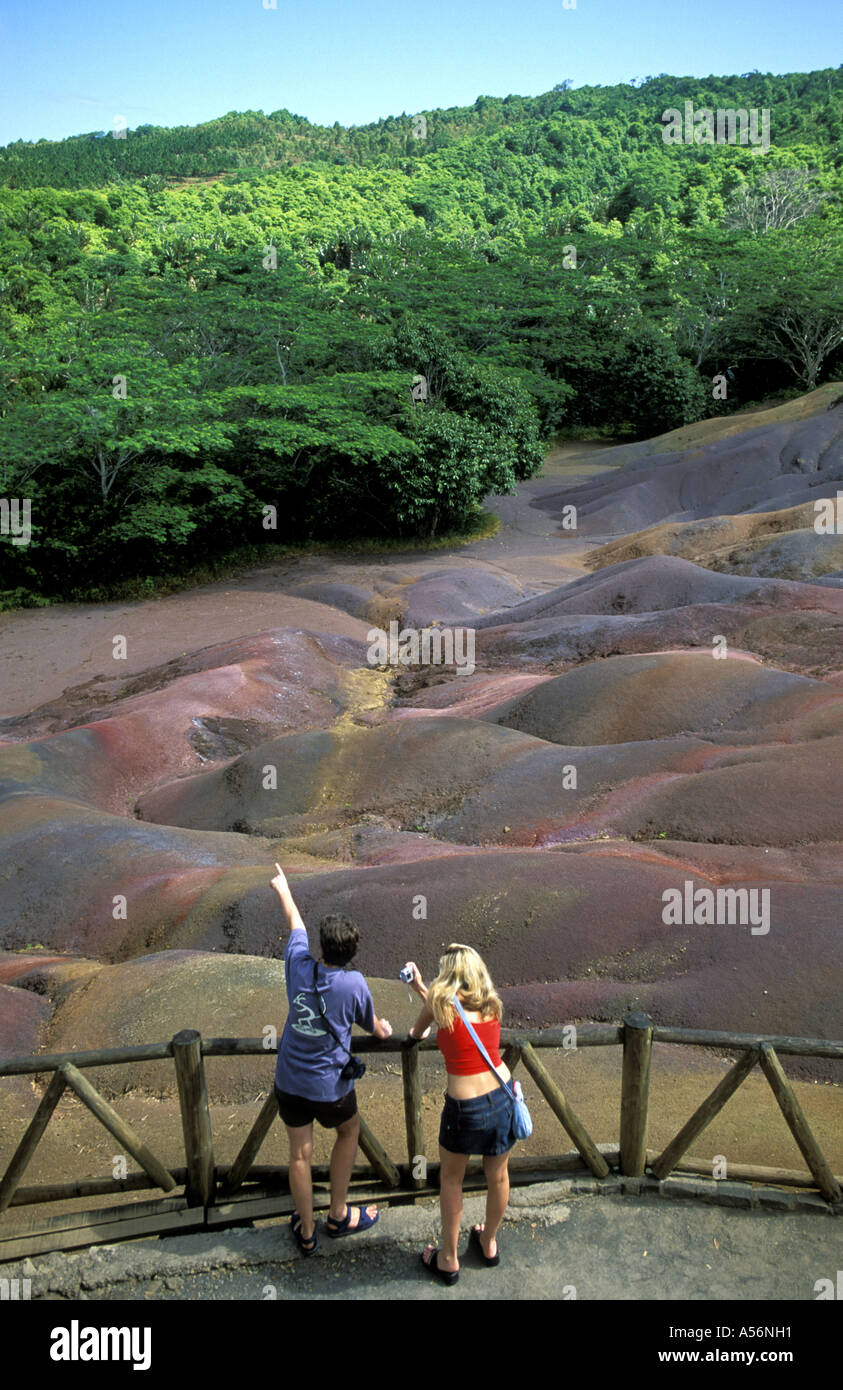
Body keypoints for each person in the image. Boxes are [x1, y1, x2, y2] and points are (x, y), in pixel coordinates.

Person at [271, 862, 392, 1254]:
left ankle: (307, 1231)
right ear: (351, 953)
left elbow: (295, 923)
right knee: (347, 1132)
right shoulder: (353, 984)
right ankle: (338, 1214)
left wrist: (284, 888)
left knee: (299, 1155)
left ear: (321, 948)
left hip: (290, 1081)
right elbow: (373, 1026)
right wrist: (384, 1030)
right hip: (331, 1086)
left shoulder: (297, 964)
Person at [407, 944, 513, 1285]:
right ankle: (489, 1242)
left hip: (465, 1109)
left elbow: (417, 1032)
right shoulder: (492, 1006)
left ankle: (449, 1260)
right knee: (497, 1176)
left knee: (452, 1180)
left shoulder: (441, 1006)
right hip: (502, 1097)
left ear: (447, 974)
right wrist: (422, 989)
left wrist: (422, 989)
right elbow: (456, 1016)